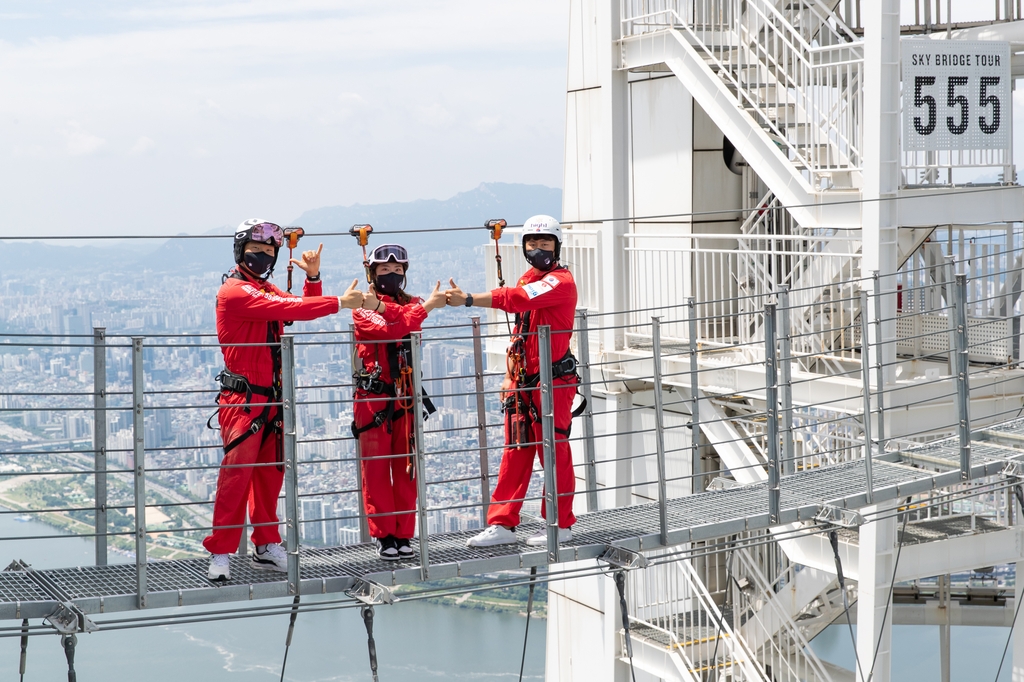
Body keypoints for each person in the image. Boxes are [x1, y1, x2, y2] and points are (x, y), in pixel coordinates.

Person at [205, 218, 365, 581]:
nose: (263, 256)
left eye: (268, 251)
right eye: (256, 251)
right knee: (236, 478)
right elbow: (291, 310)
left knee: (269, 478)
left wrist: (312, 279)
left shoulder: (264, 290)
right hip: (243, 401)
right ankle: (221, 552)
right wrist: (340, 302)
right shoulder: (236, 291)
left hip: (272, 400)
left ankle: (266, 545)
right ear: (240, 252)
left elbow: (297, 306)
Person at [446, 215, 580, 547]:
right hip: (524, 382)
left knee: (553, 449)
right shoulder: (528, 277)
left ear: (557, 246)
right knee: (516, 450)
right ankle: (502, 524)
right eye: (532, 244)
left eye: (545, 243)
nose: (537, 249)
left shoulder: (560, 282)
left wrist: (469, 299)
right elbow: (521, 334)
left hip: (553, 383)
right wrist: (510, 377)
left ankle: (560, 524)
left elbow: (517, 300)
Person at [351, 243, 447, 560]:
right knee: (376, 469)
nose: (391, 275)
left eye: (397, 270)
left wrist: (416, 309)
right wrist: (423, 309)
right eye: (384, 271)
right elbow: (393, 329)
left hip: (405, 395)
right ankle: (384, 536)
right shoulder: (361, 306)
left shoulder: (411, 304)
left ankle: (404, 533)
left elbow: (404, 320)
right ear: (372, 274)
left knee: (407, 468)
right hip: (374, 398)